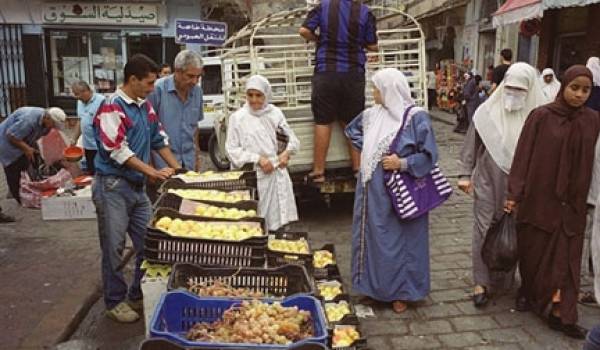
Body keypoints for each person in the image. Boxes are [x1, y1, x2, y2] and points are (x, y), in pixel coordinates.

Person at [506, 65, 600, 339]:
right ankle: (529, 292)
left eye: (586, 90)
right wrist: (515, 194)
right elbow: (523, 155)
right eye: (575, 88)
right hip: (539, 197)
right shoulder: (541, 116)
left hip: (573, 203)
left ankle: (563, 313)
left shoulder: (592, 120)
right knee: (535, 250)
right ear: (563, 87)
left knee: (568, 259)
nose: (580, 95)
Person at [92, 54, 180, 323]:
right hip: (113, 187)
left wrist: (179, 171)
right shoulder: (112, 107)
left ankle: (136, 293)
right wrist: (152, 172)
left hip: (137, 188)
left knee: (151, 243)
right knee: (114, 247)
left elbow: (158, 139)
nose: (153, 88)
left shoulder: (144, 106)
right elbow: (117, 150)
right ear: (133, 80)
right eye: (150, 83)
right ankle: (114, 301)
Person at [345, 68, 438, 314]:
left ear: (390, 90)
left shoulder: (415, 118)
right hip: (372, 191)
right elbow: (352, 131)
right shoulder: (371, 116)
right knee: (374, 237)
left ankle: (402, 292)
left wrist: (402, 163)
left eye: (377, 88)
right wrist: (371, 151)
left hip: (401, 192)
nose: (373, 92)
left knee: (402, 241)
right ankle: (374, 289)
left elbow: (429, 155)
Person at [458, 63, 547, 308]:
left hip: (523, 185)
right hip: (488, 178)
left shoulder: (539, 116)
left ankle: (506, 279)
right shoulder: (486, 113)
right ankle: (481, 282)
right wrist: (465, 174)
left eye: (520, 90)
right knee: (484, 227)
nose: (513, 95)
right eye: (510, 88)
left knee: (514, 230)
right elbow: (471, 145)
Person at [299, 0, 378, 183]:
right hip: (353, 74)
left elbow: (303, 31)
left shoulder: (323, 7)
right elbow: (373, 45)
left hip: (326, 71)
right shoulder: (365, 12)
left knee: (323, 121)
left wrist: (319, 39)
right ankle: (358, 169)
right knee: (352, 122)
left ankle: (318, 172)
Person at [225, 75, 299, 231]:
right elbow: (232, 150)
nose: (254, 100)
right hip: (255, 178)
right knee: (255, 222)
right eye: (250, 95)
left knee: (280, 223)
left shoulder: (275, 114)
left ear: (266, 95)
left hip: (277, 175)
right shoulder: (238, 118)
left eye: (258, 95)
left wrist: (285, 155)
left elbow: (292, 140)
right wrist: (257, 159)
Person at [148, 50, 203, 171]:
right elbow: (148, 129)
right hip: (163, 165)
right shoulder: (157, 90)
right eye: (190, 76)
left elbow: (194, 127)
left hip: (189, 162)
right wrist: (150, 167)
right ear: (177, 71)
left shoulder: (197, 92)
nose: (195, 81)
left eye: (198, 77)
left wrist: (197, 156)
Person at [0, 106, 66, 203]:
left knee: (26, 164)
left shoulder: (46, 122)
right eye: (53, 124)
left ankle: (25, 189)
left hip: (22, 140)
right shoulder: (28, 120)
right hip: (6, 143)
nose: (53, 127)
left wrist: (33, 149)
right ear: (47, 118)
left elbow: (36, 135)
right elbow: (11, 136)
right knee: (13, 168)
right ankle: (18, 197)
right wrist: (27, 149)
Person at [71, 80, 105, 174]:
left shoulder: (101, 101)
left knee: (101, 172)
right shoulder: (80, 102)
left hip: (100, 146)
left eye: (77, 94)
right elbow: (80, 120)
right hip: (88, 146)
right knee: (91, 172)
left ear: (86, 91)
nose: (76, 97)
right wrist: (74, 139)